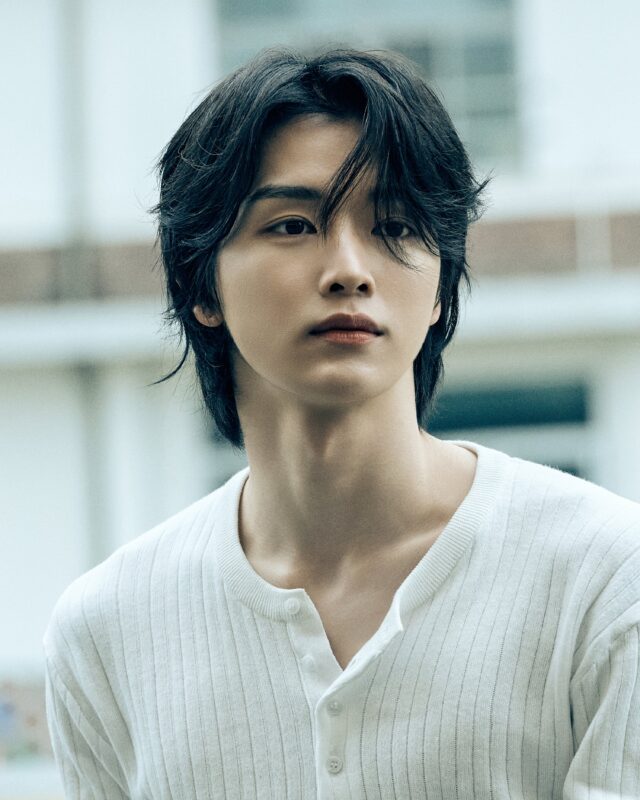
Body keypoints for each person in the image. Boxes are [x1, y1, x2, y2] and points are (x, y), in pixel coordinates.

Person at [43, 47, 640, 799]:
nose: (350, 270)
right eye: (294, 225)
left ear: (439, 289)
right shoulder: (107, 629)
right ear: (203, 285)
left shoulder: (606, 579)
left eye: (395, 226)